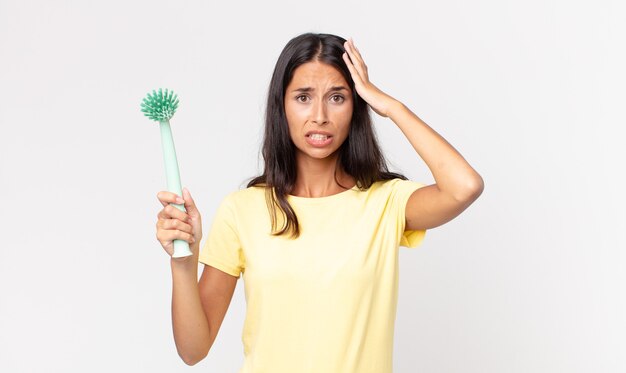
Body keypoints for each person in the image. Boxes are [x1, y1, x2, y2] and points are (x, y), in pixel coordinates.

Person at [155, 32, 484, 372]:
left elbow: (465, 186)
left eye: (337, 98)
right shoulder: (243, 210)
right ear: (281, 106)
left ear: (356, 105)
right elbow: (193, 350)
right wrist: (185, 261)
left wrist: (389, 106)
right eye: (303, 97)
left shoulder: (385, 203)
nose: (319, 115)